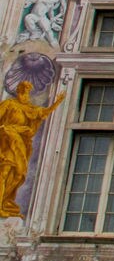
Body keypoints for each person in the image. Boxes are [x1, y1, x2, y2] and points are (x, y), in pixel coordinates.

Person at [0, 82, 65, 217]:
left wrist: (57, 102)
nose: (25, 92)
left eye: (27, 90)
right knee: (4, 172)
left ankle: (6, 200)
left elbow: (43, 113)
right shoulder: (9, 104)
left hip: (20, 143)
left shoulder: (29, 108)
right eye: (23, 89)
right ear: (18, 90)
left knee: (19, 173)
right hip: (7, 140)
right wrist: (4, 130)